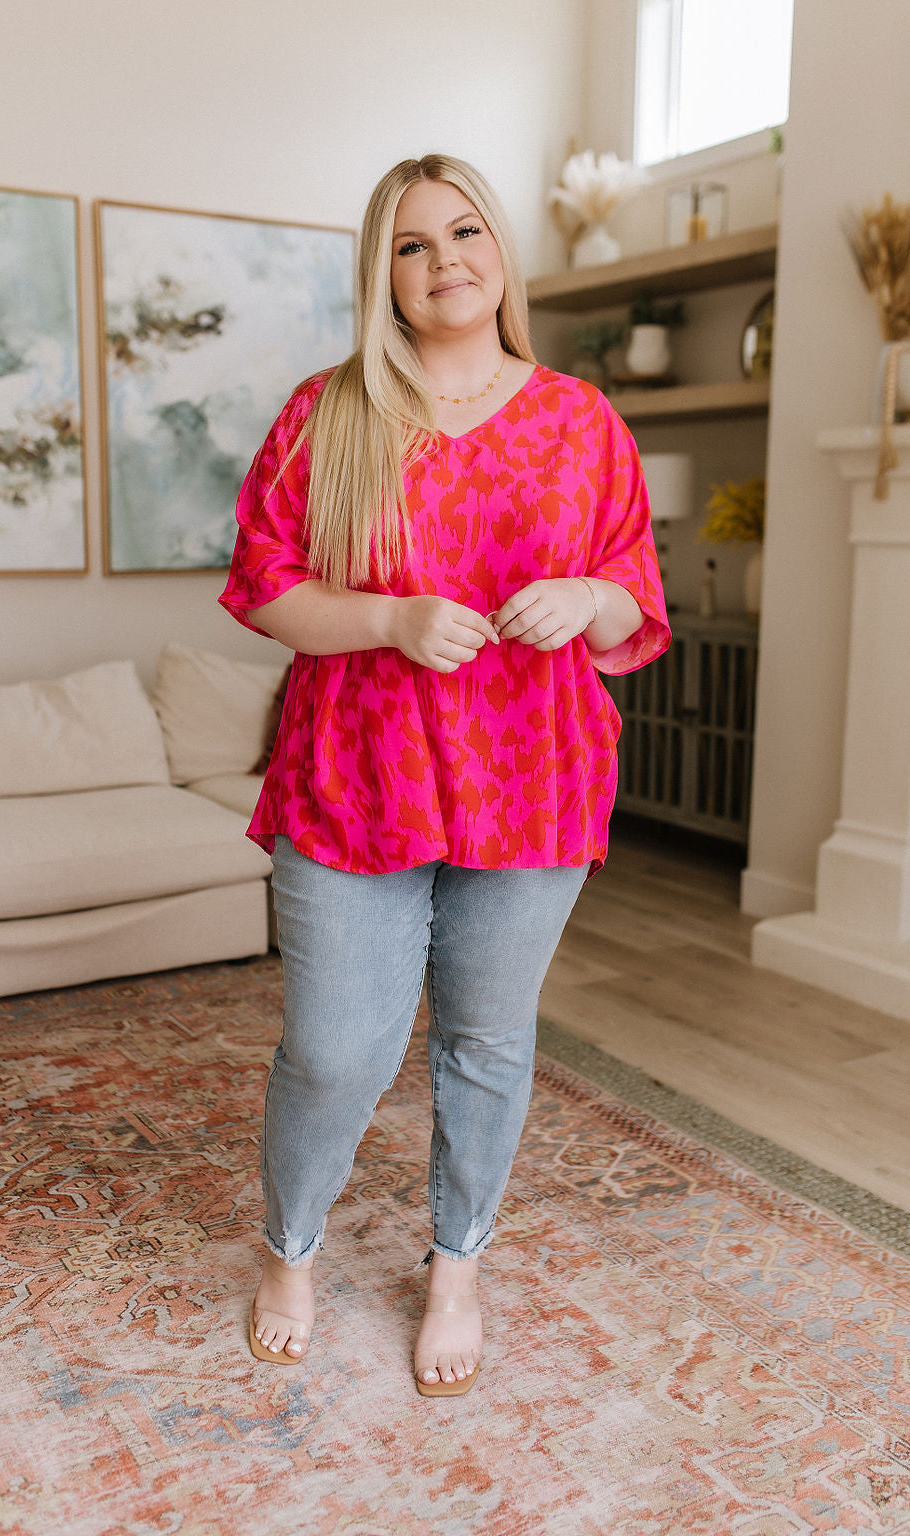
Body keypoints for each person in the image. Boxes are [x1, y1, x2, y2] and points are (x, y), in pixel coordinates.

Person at [219, 154, 670, 1397]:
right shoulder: (328, 413)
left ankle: (456, 1264)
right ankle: (290, 1251)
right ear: (385, 274)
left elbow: (632, 594)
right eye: (411, 245)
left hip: (533, 785)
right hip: (355, 780)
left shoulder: (580, 419)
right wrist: (390, 620)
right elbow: (264, 587)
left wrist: (584, 595)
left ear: (500, 251)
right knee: (334, 1051)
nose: (444, 261)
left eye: (464, 232)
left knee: (486, 1042)